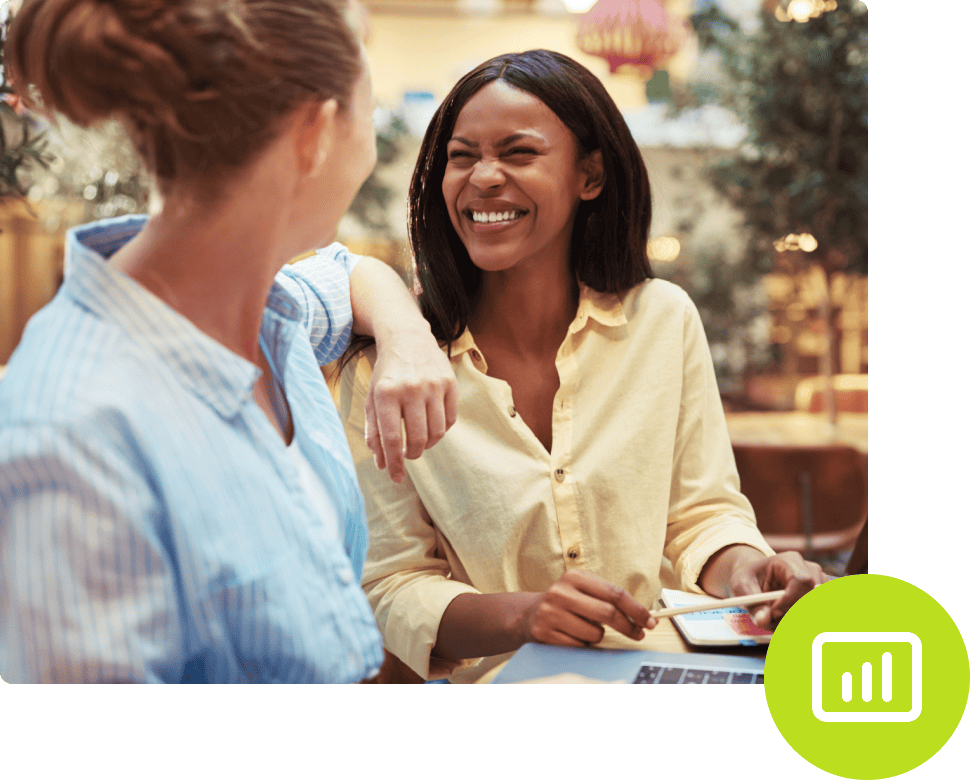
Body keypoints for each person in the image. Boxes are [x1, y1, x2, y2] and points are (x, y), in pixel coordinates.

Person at [0, 0, 457, 683]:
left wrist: (407, 336)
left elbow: (351, 277)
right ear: (316, 131)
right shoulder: (73, 434)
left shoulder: (266, 311)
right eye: (371, 103)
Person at [338, 49, 826, 684]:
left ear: (589, 175)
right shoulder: (385, 369)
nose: (483, 177)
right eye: (462, 156)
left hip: (656, 675)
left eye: (518, 153)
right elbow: (390, 585)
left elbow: (701, 513)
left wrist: (747, 569)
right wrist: (525, 616)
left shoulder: (663, 320)